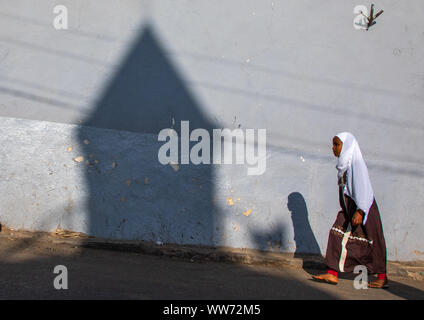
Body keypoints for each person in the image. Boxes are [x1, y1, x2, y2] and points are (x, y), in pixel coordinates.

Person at [312, 132, 388, 288]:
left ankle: (382, 277)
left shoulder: (355, 164)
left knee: (374, 240)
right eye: (333, 144)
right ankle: (332, 273)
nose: (333, 148)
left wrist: (361, 211)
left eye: (336, 144)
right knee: (336, 234)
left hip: (364, 207)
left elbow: (363, 187)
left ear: (346, 146)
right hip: (348, 209)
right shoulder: (344, 164)